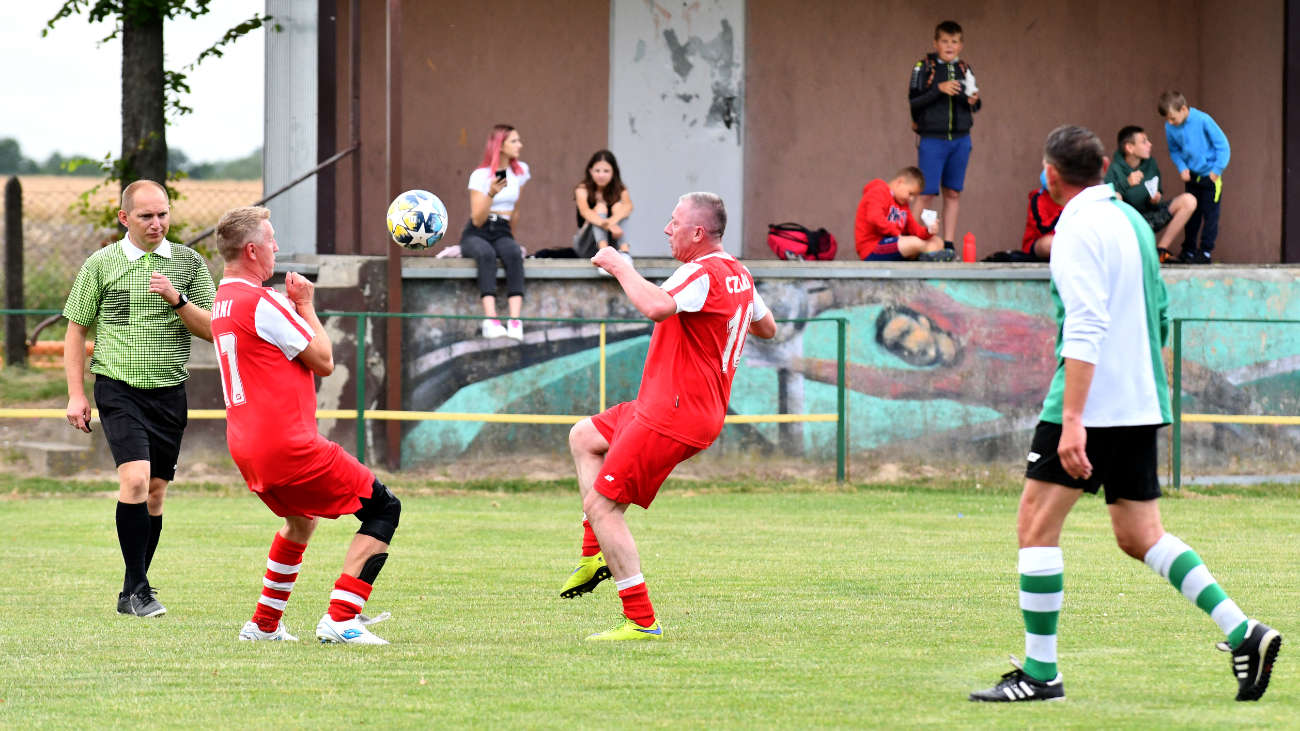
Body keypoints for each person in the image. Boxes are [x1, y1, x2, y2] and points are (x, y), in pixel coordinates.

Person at [970, 126, 1280, 703]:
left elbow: (1085, 325)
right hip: (1140, 398)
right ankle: (1243, 631)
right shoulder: (1135, 223)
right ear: (1106, 166)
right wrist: (1142, 386)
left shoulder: (1074, 228)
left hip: (1096, 401)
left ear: (1052, 177)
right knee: (1141, 535)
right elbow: (1159, 311)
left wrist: (1073, 419)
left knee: (1036, 527)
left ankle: (1041, 675)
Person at [559, 192, 777, 640]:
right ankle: (593, 552)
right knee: (584, 437)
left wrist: (620, 265)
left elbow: (658, 306)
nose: (666, 228)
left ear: (697, 232)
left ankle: (640, 621)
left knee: (602, 506)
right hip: (678, 407)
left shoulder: (700, 272)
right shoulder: (738, 272)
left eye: (673, 221)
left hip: (673, 413)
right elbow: (767, 328)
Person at [210, 206, 400, 644]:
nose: (277, 247)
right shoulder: (258, 302)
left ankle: (263, 625)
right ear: (252, 249)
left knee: (301, 522)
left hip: (246, 445)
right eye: (271, 239)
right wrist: (306, 306)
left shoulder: (223, 299)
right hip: (287, 445)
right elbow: (325, 360)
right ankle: (342, 617)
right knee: (384, 509)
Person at [62, 179, 215, 618]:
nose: (157, 223)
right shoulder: (101, 264)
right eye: (146, 216)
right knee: (134, 481)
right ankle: (142, 591)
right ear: (124, 218)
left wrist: (177, 298)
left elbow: (210, 328)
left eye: (163, 214)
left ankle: (131, 590)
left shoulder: (187, 263)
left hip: (169, 392)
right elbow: (76, 329)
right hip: (117, 386)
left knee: (155, 494)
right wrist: (76, 394)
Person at [909, 20, 981, 248]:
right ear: (935, 43)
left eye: (955, 41)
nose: (949, 46)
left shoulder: (965, 69)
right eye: (945, 41)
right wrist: (937, 90)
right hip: (933, 139)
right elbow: (913, 99)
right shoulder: (924, 67)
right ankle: (909, 238)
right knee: (926, 193)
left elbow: (974, 104)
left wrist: (974, 101)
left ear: (961, 45)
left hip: (961, 139)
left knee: (953, 193)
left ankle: (948, 243)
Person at [464, 124, 529, 340]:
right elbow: (477, 218)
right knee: (486, 254)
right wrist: (490, 193)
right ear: (500, 146)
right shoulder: (480, 176)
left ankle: (515, 321)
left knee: (513, 253)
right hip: (478, 230)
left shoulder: (520, 172)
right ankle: (491, 319)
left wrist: (510, 238)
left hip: (503, 228)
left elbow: (516, 211)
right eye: (514, 141)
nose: (519, 145)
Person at [1103, 125, 1198, 262]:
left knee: (1189, 200)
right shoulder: (1115, 169)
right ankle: (1123, 252)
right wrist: (1126, 183)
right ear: (1129, 148)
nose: (1149, 144)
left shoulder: (1151, 164)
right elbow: (1105, 196)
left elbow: (1157, 190)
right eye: (1144, 141)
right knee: (1116, 197)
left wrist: (1155, 199)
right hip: (1129, 224)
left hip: (1149, 218)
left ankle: (1161, 250)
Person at [1160, 92, 1230, 264]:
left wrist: (1216, 171)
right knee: (1192, 215)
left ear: (1183, 109)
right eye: (1167, 119)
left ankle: (1205, 252)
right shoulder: (1170, 127)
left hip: (1210, 177)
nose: (1170, 122)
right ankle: (1189, 251)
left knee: (1210, 215)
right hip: (1192, 177)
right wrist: (1182, 167)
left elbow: (1223, 146)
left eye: (1172, 117)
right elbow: (1174, 150)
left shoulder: (1203, 120)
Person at [853, 167, 949, 261]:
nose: (911, 199)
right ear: (899, 182)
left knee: (938, 241)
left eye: (914, 196)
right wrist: (896, 232)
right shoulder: (879, 191)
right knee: (916, 243)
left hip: (896, 243)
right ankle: (926, 255)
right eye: (910, 193)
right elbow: (874, 217)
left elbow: (913, 228)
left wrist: (928, 231)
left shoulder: (903, 204)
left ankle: (925, 254)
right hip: (872, 247)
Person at [574, 150, 634, 264]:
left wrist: (612, 222)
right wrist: (608, 225)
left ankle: (625, 253)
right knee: (600, 207)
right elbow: (585, 212)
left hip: (613, 243)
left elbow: (628, 206)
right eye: (597, 171)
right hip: (585, 245)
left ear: (613, 172)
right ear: (590, 171)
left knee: (618, 206)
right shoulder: (582, 189)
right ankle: (604, 253)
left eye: (606, 171)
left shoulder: (620, 189)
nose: (601, 175)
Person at [1021, 184, 1063, 261]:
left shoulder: (1081, 196)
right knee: (1050, 244)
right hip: (1037, 244)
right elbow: (1044, 229)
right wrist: (1065, 208)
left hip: (1071, 240)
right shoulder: (1038, 197)